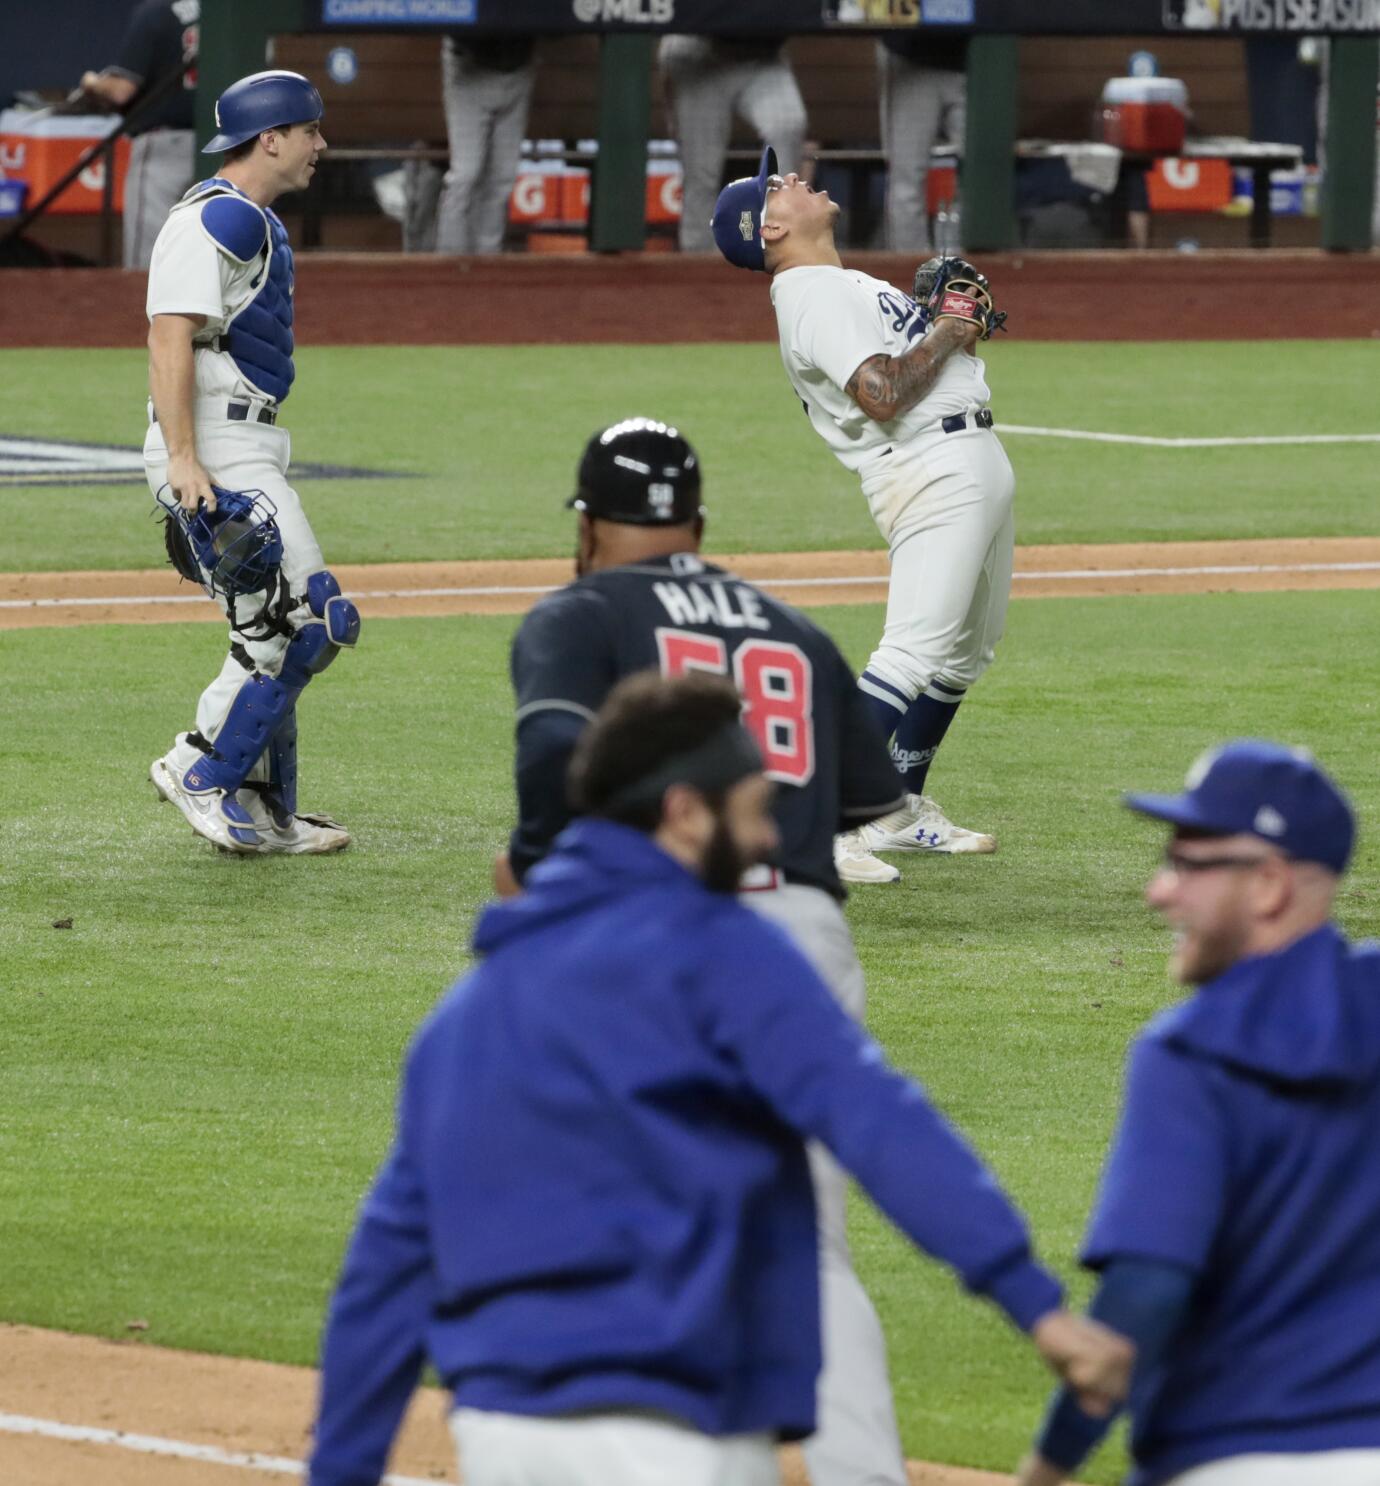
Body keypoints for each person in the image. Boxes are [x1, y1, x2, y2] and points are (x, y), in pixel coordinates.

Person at [310, 670, 1133, 1486]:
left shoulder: (468, 1015)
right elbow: (878, 1123)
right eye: (751, 814)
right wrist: (1036, 1307)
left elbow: (389, 1265)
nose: (772, 840)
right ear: (683, 814)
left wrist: (342, 1468)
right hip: (679, 1435)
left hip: (505, 1438)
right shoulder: (728, 960)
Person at [502, 415, 913, 1483]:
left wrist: (538, 870)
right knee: (805, 1242)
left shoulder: (580, 612)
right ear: (695, 522)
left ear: (588, 526)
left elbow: (555, 754)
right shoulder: (797, 630)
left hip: (659, 943)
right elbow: (874, 799)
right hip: (807, 950)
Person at [1017, 739, 1380, 1486]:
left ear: (1269, 885)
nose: (1159, 892)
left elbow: (1144, 1295)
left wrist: (1049, 1466)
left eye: (1188, 864)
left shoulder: (1188, 1053)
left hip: (1234, 1455)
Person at [712, 149, 1015, 883]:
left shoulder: (835, 282)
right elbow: (882, 393)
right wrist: (946, 325)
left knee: (961, 657)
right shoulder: (811, 295)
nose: (789, 180)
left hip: (968, 461)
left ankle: (895, 808)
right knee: (911, 653)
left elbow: (913, 364)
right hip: (929, 470)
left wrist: (957, 325)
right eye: (773, 186)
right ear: (771, 229)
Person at [144, 70, 358, 856]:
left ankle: (266, 810)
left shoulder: (251, 221)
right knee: (304, 623)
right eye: (309, 132)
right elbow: (169, 335)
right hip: (214, 446)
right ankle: (198, 767)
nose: (320, 146)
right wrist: (183, 460)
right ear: (271, 137)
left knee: (295, 626)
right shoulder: (217, 221)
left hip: (247, 442)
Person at [77, 0, 200, 269]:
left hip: (163, 148)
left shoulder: (158, 12)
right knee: (205, 261)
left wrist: (92, 83)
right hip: (223, 147)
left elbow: (122, 89)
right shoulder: (229, 13)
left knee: (148, 264)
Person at [659, 34, 807, 253]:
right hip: (695, 51)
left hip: (761, 52)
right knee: (701, 174)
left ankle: (779, 244)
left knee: (788, 124)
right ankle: (697, 262)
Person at [434, 35, 536, 255]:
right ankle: (448, 266)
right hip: (469, 69)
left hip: (519, 69)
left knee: (502, 178)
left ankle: (488, 262)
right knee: (465, 175)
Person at [876, 30, 966, 253]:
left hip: (979, 56)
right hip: (909, 57)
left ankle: (968, 270)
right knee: (907, 180)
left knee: (983, 177)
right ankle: (910, 273)